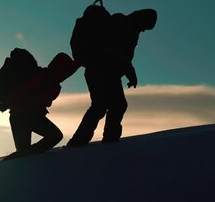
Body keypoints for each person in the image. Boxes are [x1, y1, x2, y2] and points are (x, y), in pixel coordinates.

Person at [67, 8, 157, 147]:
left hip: (109, 72)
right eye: (145, 26)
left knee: (113, 105)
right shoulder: (120, 22)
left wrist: (129, 72)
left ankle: (107, 139)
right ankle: (82, 142)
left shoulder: (131, 29)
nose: (144, 30)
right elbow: (111, 50)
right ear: (141, 19)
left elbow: (122, 56)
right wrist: (129, 71)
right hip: (99, 69)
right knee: (102, 105)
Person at [0, 49, 77, 158]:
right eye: (66, 72)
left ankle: (20, 156)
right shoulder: (41, 77)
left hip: (24, 116)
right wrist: (7, 104)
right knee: (54, 136)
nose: (66, 76)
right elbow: (23, 91)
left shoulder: (52, 81)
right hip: (26, 116)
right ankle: (19, 157)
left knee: (24, 154)